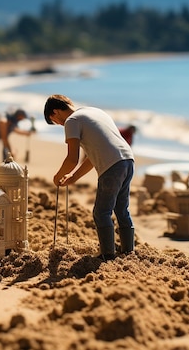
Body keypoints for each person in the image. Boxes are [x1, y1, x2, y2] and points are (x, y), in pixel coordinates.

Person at [44, 94, 135, 261]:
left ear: (55, 112)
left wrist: (57, 176)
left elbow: (72, 158)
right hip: (128, 160)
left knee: (101, 212)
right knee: (122, 210)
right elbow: (92, 158)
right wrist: (73, 177)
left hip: (112, 166)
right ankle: (129, 251)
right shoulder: (95, 112)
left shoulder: (72, 120)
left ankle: (108, 255)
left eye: (55, 121)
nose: (59, 124)